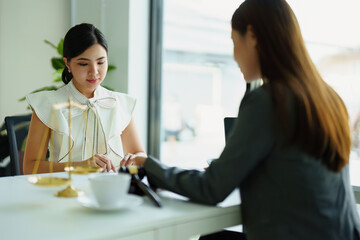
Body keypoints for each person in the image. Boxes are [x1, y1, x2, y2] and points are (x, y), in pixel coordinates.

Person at [124, 0, 360, 239]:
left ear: (253, 35)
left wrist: (148, 165)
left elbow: (211, 189)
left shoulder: (267, 100)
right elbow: (296, 170)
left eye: (234, 42)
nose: (234, 56)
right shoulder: (329, 98)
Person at [23, 23, 146, 174]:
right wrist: (81, 166)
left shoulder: (118, 103)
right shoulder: (47, 104)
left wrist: (135, 159)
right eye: (83, 63)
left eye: (101, 62)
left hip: (112, 190)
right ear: (67, 63)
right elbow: (30, 167)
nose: (94, 72)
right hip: (64, 191)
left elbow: (139, 155)